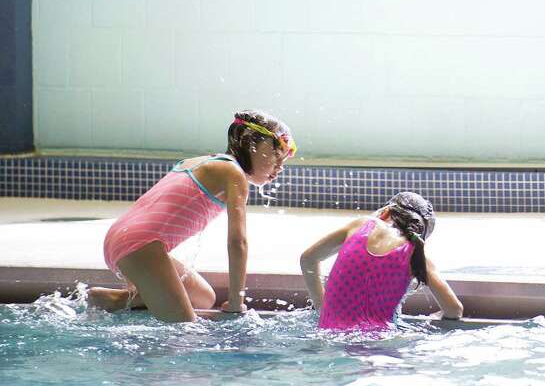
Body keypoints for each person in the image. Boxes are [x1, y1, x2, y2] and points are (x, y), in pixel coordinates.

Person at [87, 110, 296, 323]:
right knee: (185, 330)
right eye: (276, 156)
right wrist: (236, 301)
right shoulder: (233, 174)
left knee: (203, 298)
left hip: (121, 237)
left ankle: (112, 300)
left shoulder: (201, 162)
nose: (280, 167)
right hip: (140, 245)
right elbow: (237, 241)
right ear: (252, 146)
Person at [300, 191, 462, 330]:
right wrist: (438, 315)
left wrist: (322, 306)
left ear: (385, 212)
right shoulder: (415, 253)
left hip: (329, 333)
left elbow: (308, 259)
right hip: (380, 344)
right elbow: (454, 310)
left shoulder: (362, 224)